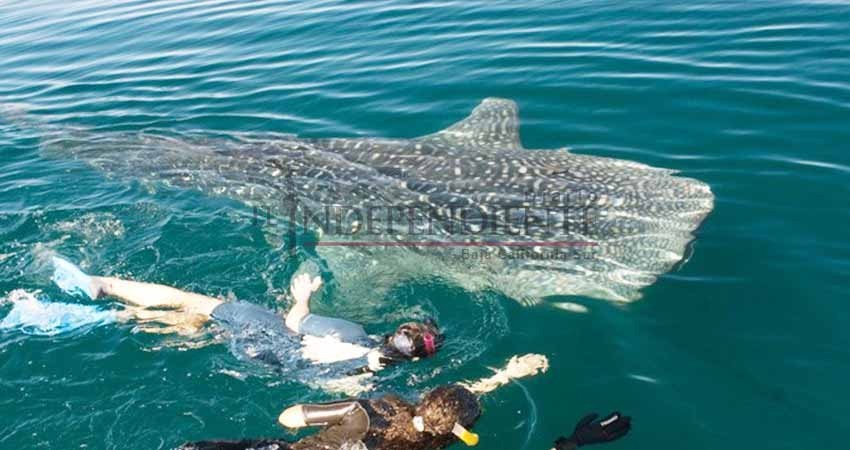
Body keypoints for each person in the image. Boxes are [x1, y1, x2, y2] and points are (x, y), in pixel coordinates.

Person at [50, 256, 444, 374]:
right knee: (205, 329)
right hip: (270, 363)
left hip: (272, 333)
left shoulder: (354, 335)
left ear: (396, 332)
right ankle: (109, 319)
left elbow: (294, 323)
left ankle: (104, 287)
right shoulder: (370, 376)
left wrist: (303, 296)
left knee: (196, 303)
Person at [179, 354, 631, 450]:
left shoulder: (365, 410)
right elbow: (458, 409)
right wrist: (572, 442)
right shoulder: (437, 443)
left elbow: (289, 416)